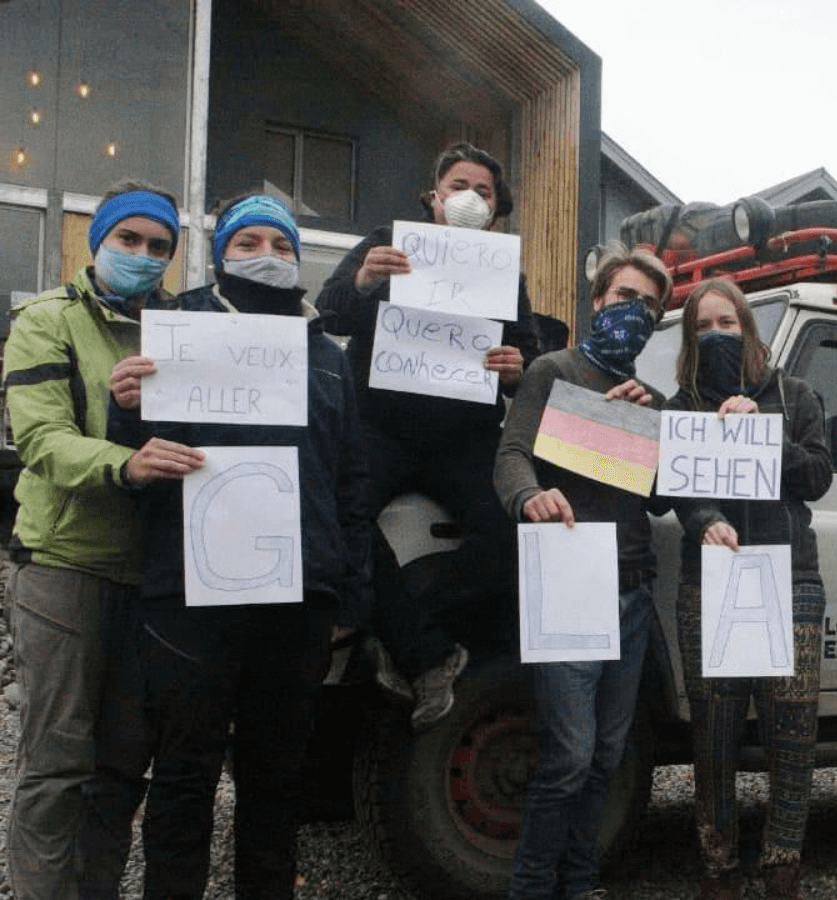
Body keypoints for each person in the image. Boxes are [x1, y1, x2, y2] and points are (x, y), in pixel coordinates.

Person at [104, 194, 368, 899]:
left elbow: (351, 480)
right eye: (250, 241)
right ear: (221, 251)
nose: (269, 257)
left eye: (282, 246)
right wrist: (123, 409)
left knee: (275, 779)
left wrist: (349, 588)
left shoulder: (327, 356)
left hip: (298, 596)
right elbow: (133, 462)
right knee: (185, 774)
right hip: (190, 594)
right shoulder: (177, 332)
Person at [316, 141, 567, 730]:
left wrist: (516, 367)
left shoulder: (508, 271)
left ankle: (398, 632)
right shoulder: (385, 239)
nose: (470, 198)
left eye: (483, 191)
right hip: (378, 427)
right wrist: (362, 280)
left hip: (464, 438)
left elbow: (528, 362)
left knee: (509, 536)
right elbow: (328, 314)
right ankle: (426, 655)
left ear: (496, 210)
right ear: (433, 196)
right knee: (334, 516)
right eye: (458, 185)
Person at [3, 181, 185, 900]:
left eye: (159, 246)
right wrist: (126, 458)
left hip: (151, 578)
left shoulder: (182, 329)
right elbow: (42, 440)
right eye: (129, 240)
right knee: (55, 765)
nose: (143, 256)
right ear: (97, 240)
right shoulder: (44, 321)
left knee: (120, 769)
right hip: (65, 566)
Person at [494, 246, 671, 900]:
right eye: (624, 296)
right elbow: (511, 455)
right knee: (567, 758)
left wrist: (649, 424)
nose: (634, 312)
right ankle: (532, 888)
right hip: (566, 579)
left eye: (649, 305)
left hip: (630, 587)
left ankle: (581, 884)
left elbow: (660, 497)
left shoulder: (652, 398)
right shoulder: (553, 370)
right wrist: (527, 497)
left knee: (605, 757)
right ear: (597, 299)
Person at [665, 279, 833, 900]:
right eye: (704, 326)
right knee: (714, 733)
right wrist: (704, 520)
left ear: (748, 327)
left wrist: (767, 430)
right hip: (709, 582)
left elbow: (817, 477)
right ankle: (718, 866)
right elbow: (671, 490)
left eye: (727, 323)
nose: (717, 334)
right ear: (690, 337)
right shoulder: (678, 406)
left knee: (793, 731)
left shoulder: (794, 394)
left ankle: (783, 863)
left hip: (791, 579)